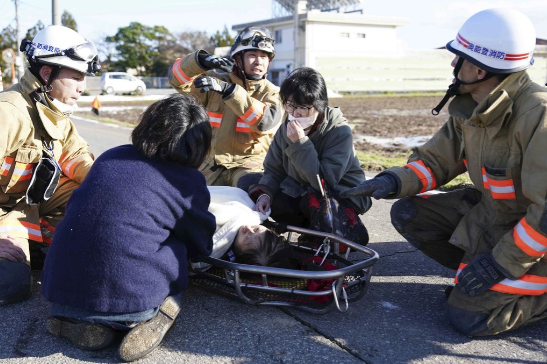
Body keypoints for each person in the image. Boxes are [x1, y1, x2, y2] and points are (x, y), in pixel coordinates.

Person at [341, 8, 547, 336]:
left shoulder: (538, 115)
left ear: (479, 69)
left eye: (459, 58)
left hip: (535, 240)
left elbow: (544, 216)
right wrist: (389, 181)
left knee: (468, 317)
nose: (453, 65)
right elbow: (437, 162)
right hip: (495, 218)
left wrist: (499, 264)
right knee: (409, 213)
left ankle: (531, 293)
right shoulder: (471, 109)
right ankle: (480, 277)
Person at [40, 93, 216, 362]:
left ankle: (82, 322)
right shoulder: (188, 180)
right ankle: (148, 319)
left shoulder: (111, 157)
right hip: (131, 301)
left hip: (59, 293)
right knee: (177, 249)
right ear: (198, 145)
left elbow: (78, 206)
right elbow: (200, 244)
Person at [0, 25, 99, 305]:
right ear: (47, 74)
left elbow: (75, 155)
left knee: (95, 199)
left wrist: (110, 186)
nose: (83, 87)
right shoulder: (8, 112)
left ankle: (37, 247)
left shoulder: (54, 109)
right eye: (76, 77)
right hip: (4, 211)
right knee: (9, 283)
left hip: (32, 203)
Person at [249, 67, 371, 246]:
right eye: (290, 105)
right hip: (301, 189)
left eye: (303, 107)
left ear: (319, 106)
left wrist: (300, 144)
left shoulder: (339, 130)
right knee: (249, 183)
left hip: (340, 194)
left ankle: (342, 229)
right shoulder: (286, 127)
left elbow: (324, 183)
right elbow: (274, 170)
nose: (295, 113)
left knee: (312, 199)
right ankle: (314, 232)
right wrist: (265, 194)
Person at [169, 26, 283, 191]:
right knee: (183, 199)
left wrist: (230, 91)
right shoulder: (214, 82)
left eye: (264, 57)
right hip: (209, 166)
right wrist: (200, 62)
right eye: (252, 55)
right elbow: (177, 79)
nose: (259, 62)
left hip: (248, 166)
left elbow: (265, 122)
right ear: (238, 59)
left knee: (256, 193)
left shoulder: (273, 92)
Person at [191, 186, 303, 271]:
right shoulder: (254, 216)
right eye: (256, 229)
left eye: (247, 238)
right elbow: (237, 195)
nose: (247, 228)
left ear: (238, 254)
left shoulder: (221, 246)